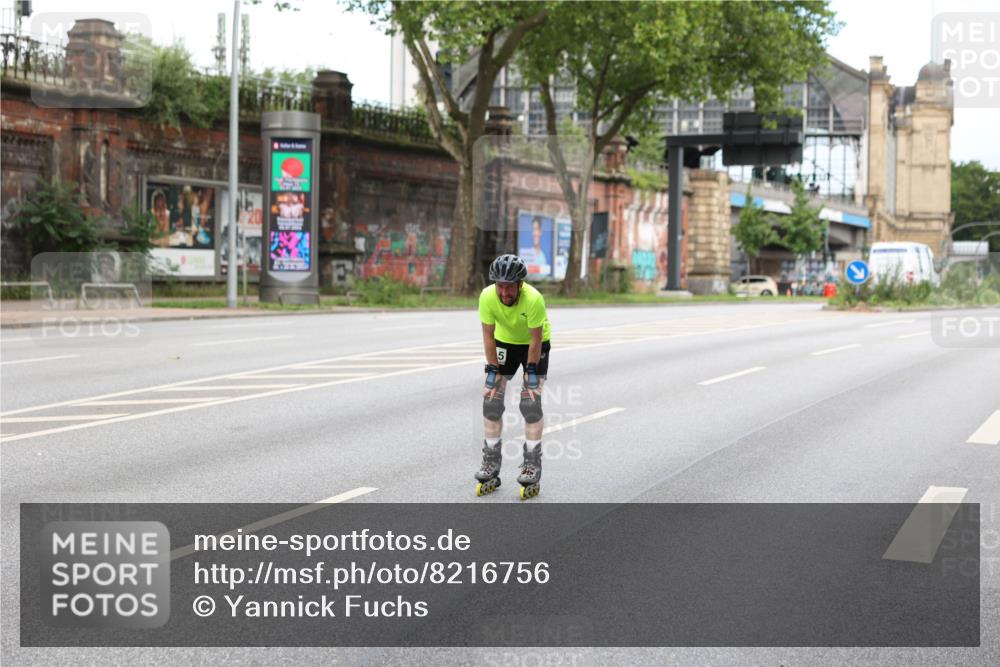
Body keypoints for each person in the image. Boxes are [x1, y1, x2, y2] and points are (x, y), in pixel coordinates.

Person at [475, 254, 552, 500]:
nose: (504, 292)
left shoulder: (534, 299)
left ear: (520, 284)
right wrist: (492, 369)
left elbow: (536, 339)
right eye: (500, 286)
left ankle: (532, 465)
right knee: (491, 402)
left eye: (510, 287)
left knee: (530, 404)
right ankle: (490, 462)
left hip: (534, 345)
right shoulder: (487, 296)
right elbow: (488, 335)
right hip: (504, 343)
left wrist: (531, 371)